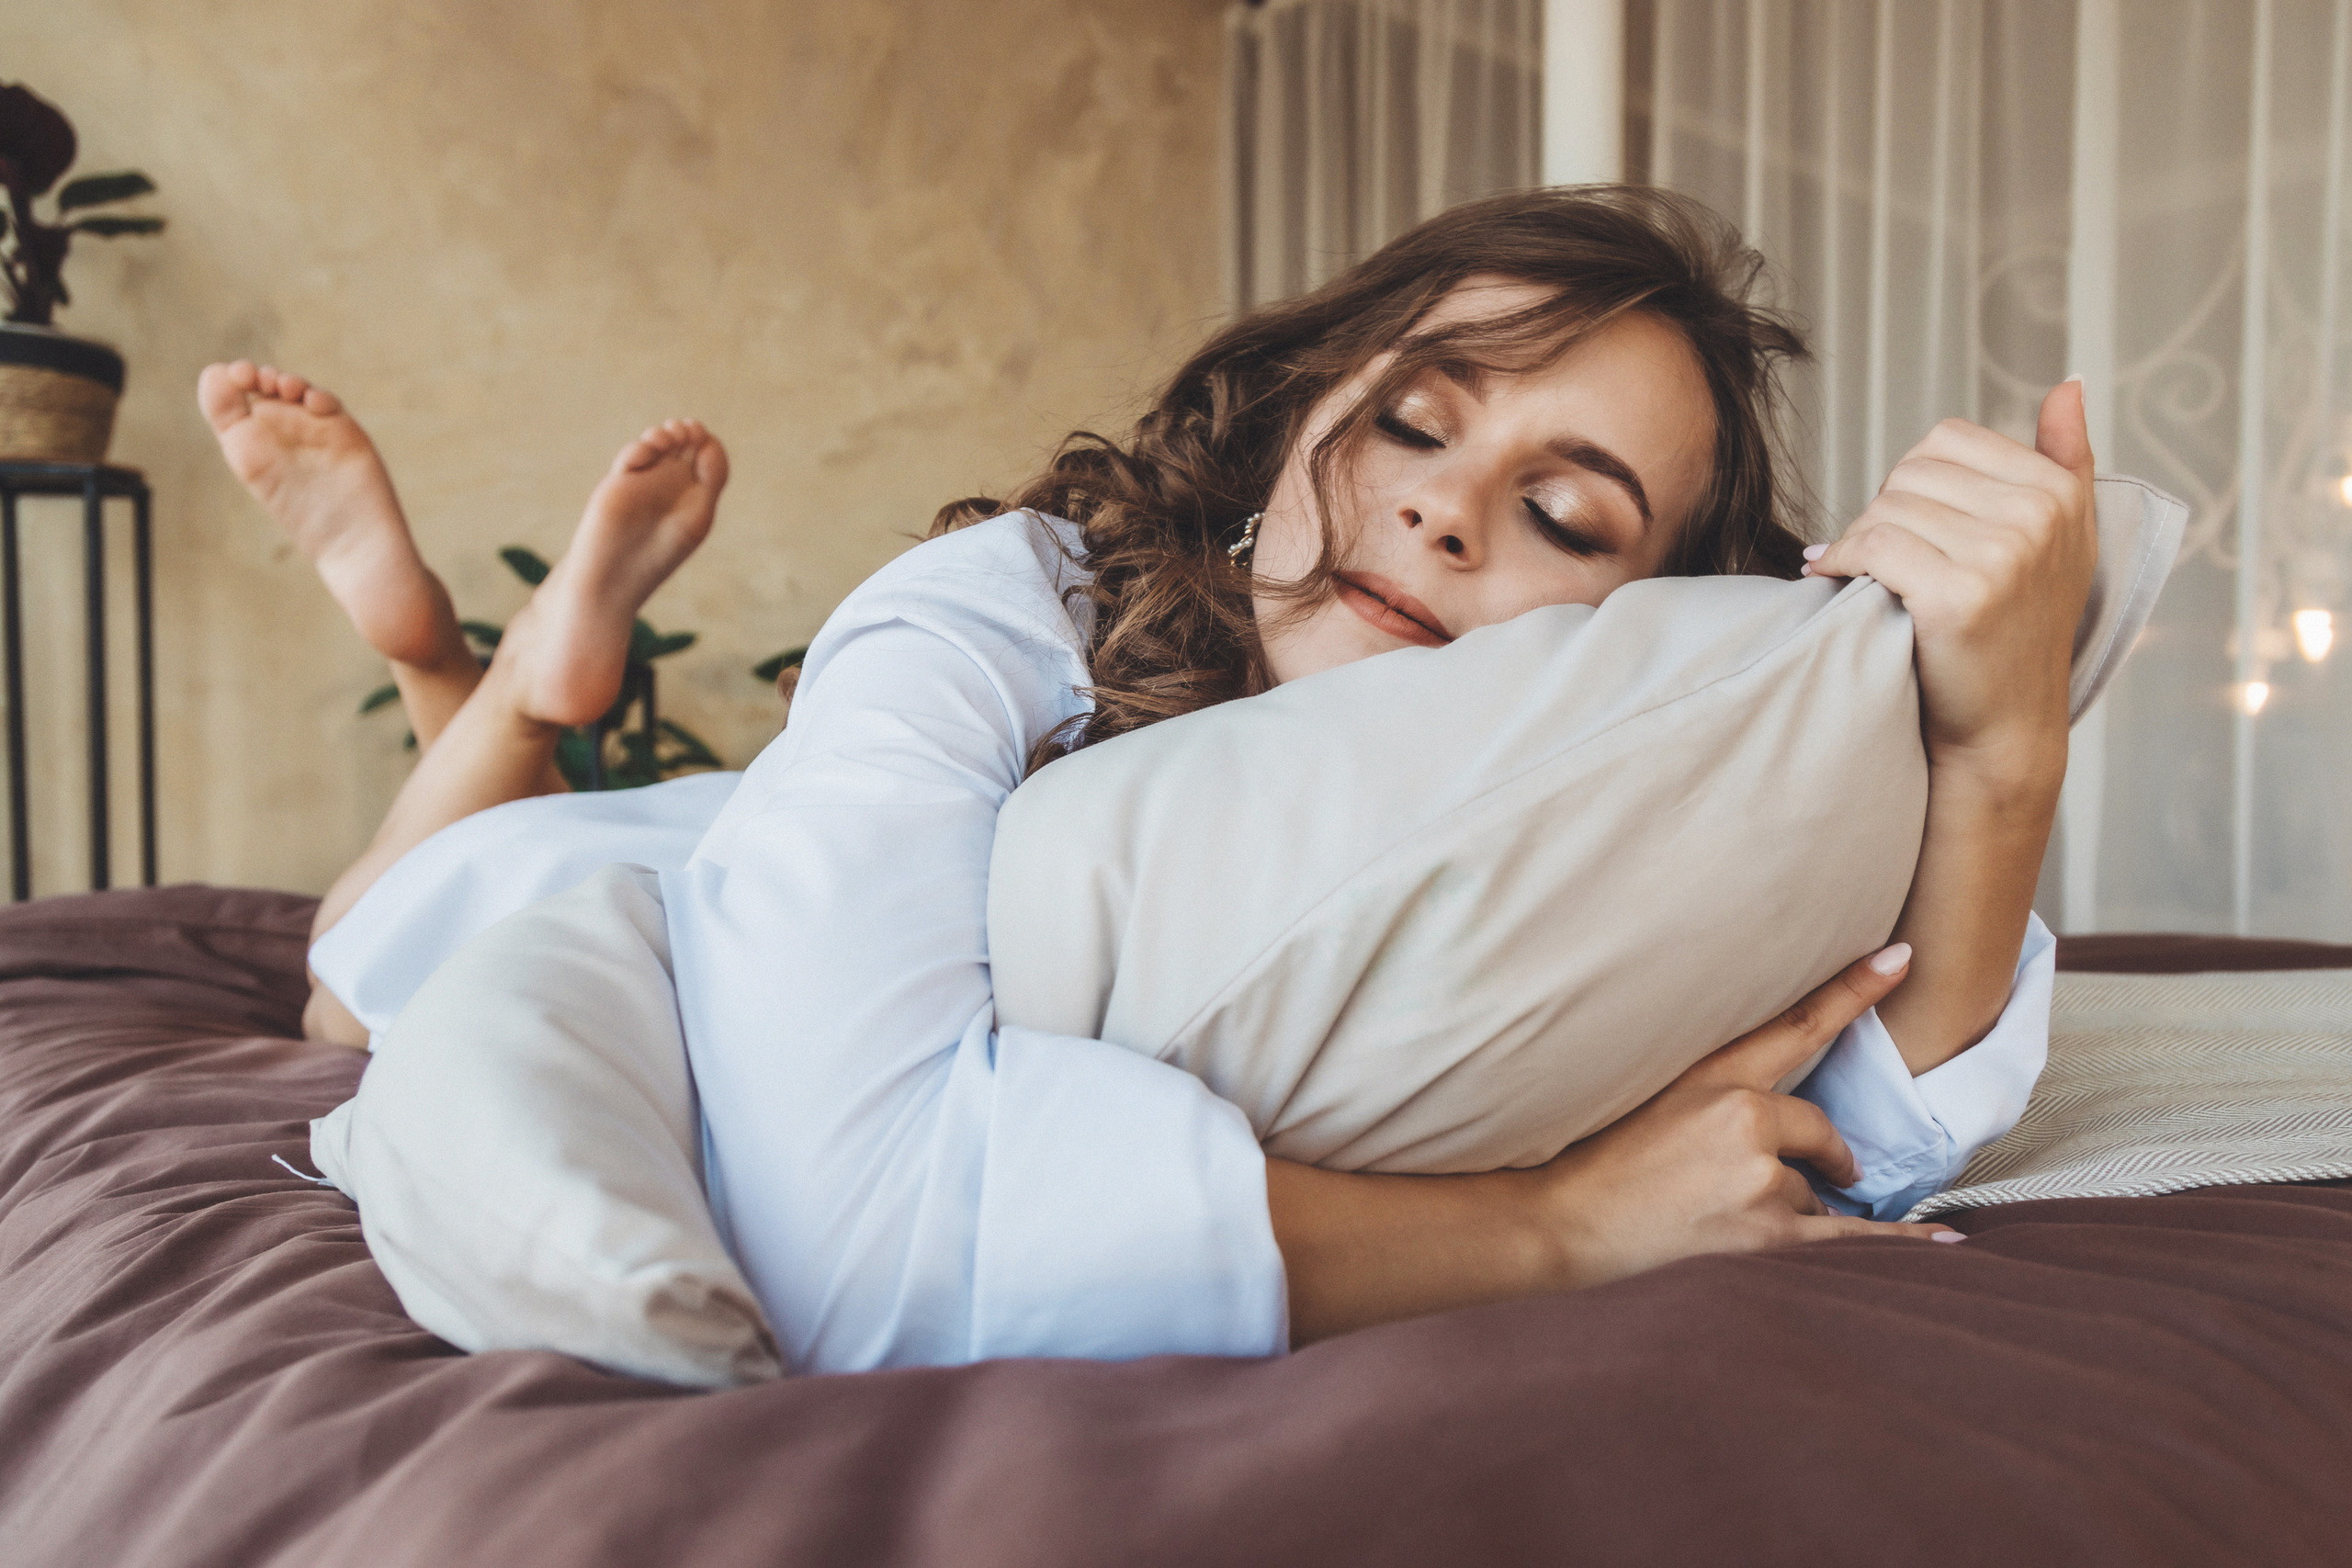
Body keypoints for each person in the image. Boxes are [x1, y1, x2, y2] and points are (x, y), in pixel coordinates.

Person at [211, 186, 2075, 1372]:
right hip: (707, 877)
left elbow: (1861, 1117)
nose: (1443, 509)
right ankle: (483, 682)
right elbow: (850, 1244)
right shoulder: (995, 606)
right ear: (1291, 423)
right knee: (355, 964)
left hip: (797, 863)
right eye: (1409, 421)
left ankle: (507, 689)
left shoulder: (1573, 817)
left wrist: (2006, 740)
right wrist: (1555, 1228)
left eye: (1566, 516)